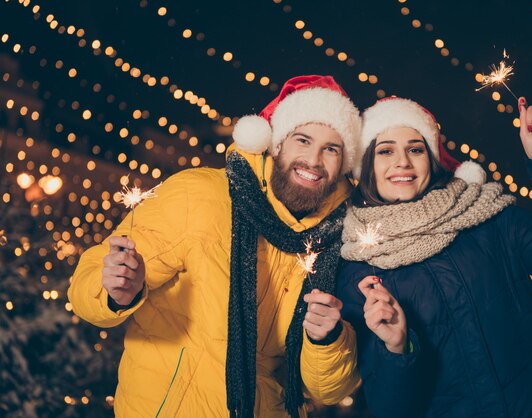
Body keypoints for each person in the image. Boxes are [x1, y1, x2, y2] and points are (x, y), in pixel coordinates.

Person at [68, 75, 362, 418]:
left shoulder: (340, 245)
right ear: (276, 144)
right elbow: (85, 288)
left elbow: (330, 390)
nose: (313, 160)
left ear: (343, 165)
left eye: (331, 149)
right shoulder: (201, 196)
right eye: (303, 140)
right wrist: (117, 291)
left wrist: (326, 339)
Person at [337, 96, 532, 417]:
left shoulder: (488, 219)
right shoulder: (359, 271)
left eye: (416, 149)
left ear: (432, 158)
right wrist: (396, 347)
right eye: (385, 151)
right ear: (366, 166)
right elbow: (390, 409)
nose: (403, 162)